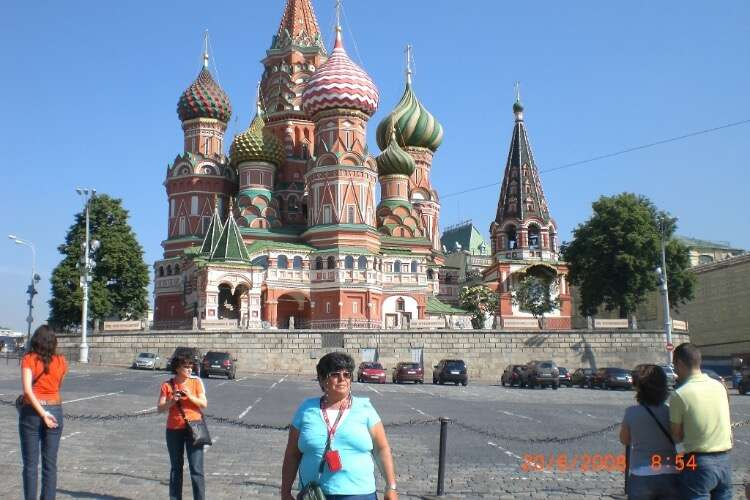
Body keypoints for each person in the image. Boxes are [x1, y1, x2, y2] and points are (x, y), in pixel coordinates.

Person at [282, 352, 398, 500]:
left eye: (347, 374)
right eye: (335, 374)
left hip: (358, 494)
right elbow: (292, 454)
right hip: (315, 494)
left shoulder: (365, 408)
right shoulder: (306, 409)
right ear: (322, 379)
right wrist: (285, 492)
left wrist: (391, 487)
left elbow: (382, 449)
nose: (342, 379)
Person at [670, 343, 732, 499]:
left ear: (679, 363)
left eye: (674, 365)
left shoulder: (679, 394)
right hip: (724, 460)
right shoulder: (719, 387)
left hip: (697, 462)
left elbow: (676, 435)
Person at [18, 325, 68, 500]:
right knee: (50, 464)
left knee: (30, 465)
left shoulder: (29, 358)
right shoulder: (61, 360)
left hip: (32, 411)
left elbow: (27, 390)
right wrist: (47, 413)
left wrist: (42, 413)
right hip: (55, 409)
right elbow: (57, 386)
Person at [619, 364, 679, 499]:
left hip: (642, 472)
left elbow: (624, 439)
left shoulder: (631, 412)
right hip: (670, 471)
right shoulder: (671, 412)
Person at [158, 352, 208, 500]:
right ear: (177, 368)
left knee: (196, 469)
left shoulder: (196, 382)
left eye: (191, 366)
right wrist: (172, 400)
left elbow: (204, 404)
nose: (189, 369)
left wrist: (190, 396)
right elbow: (160, 408)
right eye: (186, 366)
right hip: (174, 429)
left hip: (195, 427)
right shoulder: (167, 385)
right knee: (176, 468)